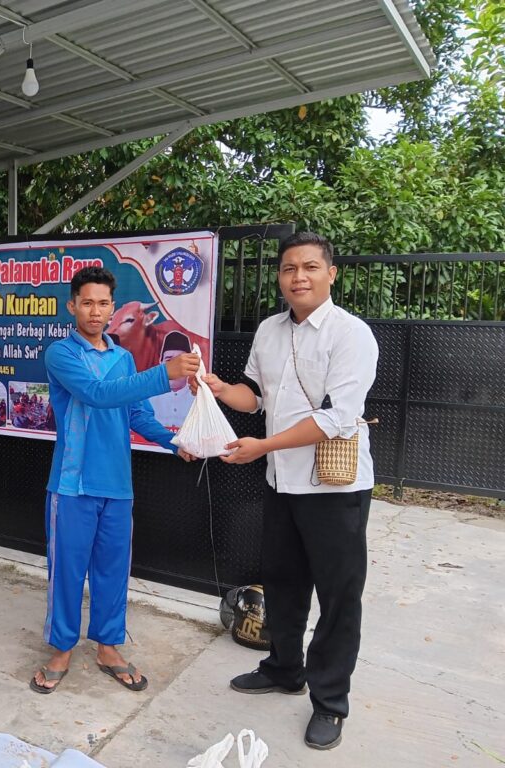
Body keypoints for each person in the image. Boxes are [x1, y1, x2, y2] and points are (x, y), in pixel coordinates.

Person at [182, 232, 379, 750]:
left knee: (339, 596)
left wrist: (263, 446)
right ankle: (285, 669)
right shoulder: (269, 331)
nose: (299, 277)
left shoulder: (351, 335)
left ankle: (330, 702)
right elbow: (255, 396)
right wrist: (221, 390)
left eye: (310, 267)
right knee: (284, 583)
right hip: (281, 482)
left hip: (334, 488)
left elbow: (337, 417)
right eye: (290, 268)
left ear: (331, 273)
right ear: (279, 277)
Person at [30, 266, 200, 695]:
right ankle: (62, 649)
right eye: (87, 302)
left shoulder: (123, 358)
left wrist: (174, 442)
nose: (95, 311)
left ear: (112, 308)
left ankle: (108, 648)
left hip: (117, 485)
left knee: (112, 573)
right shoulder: (61, 354)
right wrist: (166, 373)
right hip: (72, 486)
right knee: (67, 573)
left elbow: (137, 413)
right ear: (72, 306)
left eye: (103, 303)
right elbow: (97, 394)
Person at [150, 331, 196, 432]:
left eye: (180, 361)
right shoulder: (148, 398)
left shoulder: (198, 398)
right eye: (169, 360)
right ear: (161, 363)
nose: (174, 366)